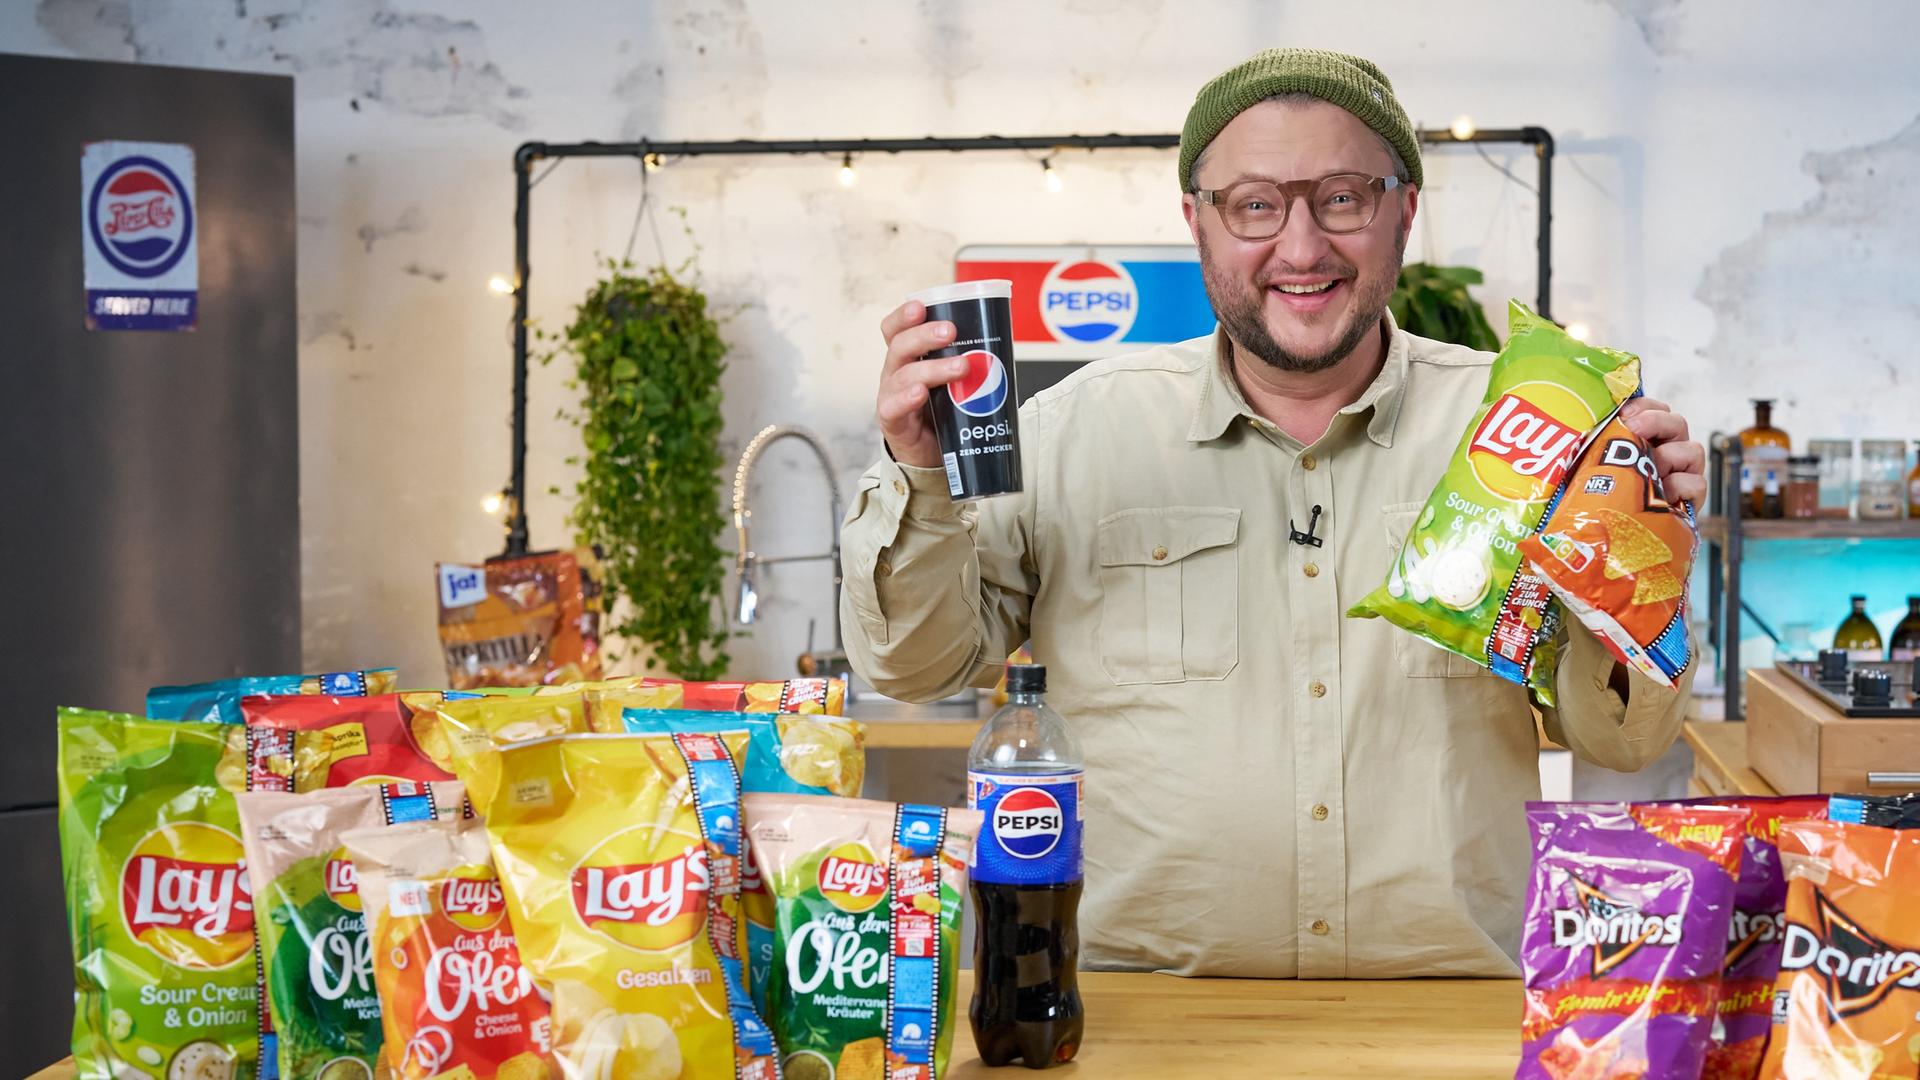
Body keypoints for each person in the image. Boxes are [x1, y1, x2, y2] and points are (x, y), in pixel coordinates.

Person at [839, 48, 1705, 978]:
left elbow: (1622, 739)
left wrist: (1640, 560)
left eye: (1342, 197)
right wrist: (920, 474)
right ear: (1198, 223)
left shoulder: (1526, 432)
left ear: (1403, 209)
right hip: (1146, 1028)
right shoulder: (1073, 430)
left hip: (1449, 1020)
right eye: (1255, 204)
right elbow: (918, 668)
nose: (1300, 249)